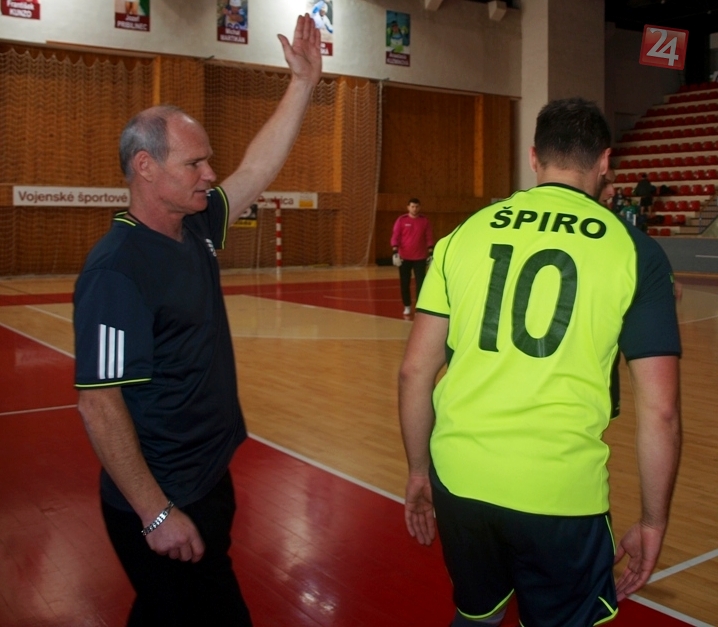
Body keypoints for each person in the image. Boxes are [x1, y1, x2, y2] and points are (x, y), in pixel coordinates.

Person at [73, 15, 321, 626]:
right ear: (145, 168)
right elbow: (99, 403)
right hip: (163, 494)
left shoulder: (196, 225)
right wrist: (155, 513)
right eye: (194, 163)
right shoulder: (117, 270)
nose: (210, 174)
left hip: (206, 477)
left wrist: (302, 86)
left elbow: (255, 170)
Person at [398, 98, 681, 627]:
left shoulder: (464, 234)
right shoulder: (635, 252)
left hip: (459, 480)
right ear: (604, 161)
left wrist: (418, 471)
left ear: (534, 157)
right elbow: (660, 412)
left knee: (477, 614)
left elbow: (415, 371)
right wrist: (652, 520)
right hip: (560, 495)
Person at [391, 198, 434, 316]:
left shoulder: (424, 221)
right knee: (404, 283)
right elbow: (395, 236)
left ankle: (419, 307)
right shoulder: (401, 220)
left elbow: (429, 237)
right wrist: (395, 251)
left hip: (420, 258)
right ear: (408, 207)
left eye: (416, 207)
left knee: (421, 284)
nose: (414, 209)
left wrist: (431, 253)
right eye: (412, 207)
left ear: (419, 207)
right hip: (404, 258)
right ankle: (407, 305)